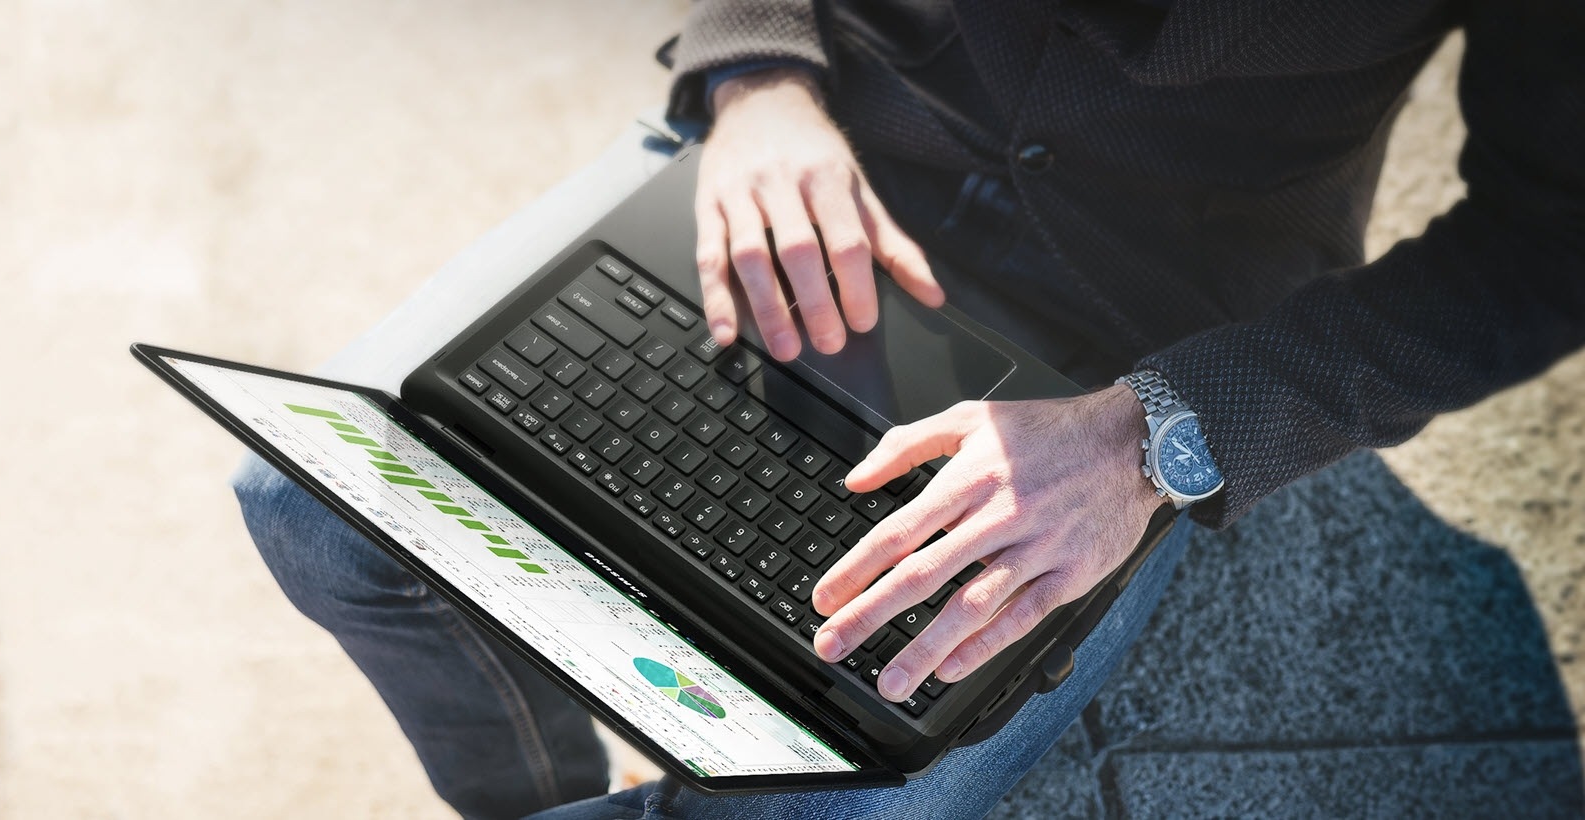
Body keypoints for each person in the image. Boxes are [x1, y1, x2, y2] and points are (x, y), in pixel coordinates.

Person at [234, 1, 1585, 816]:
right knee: (309, 508)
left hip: (1139, 328)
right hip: (805, 177)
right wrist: (758, 69)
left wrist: (1157, 432)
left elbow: (1550, 240)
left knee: (852, 780)